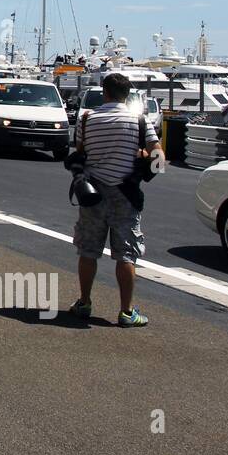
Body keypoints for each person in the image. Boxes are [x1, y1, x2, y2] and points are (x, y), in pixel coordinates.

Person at [68, 72, 164, 328]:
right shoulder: (140, 120)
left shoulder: (87, 119)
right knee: (126, 254)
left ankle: (85, 302)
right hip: (126, 194)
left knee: (88, 251)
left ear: (105, 92)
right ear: (128, 94)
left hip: (93, 193)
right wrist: (141, 166)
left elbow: (80, 154)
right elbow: (159, 159)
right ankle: (126, 311)